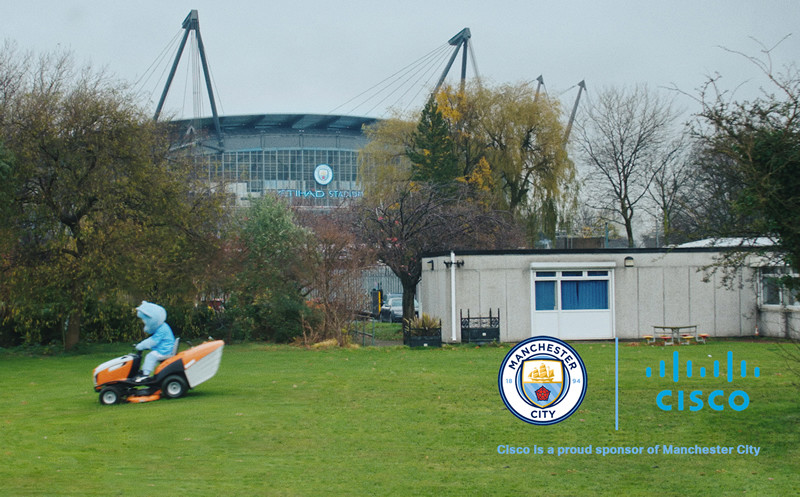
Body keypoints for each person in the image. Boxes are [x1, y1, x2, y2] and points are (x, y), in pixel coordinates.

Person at [133, 301, 175, 382]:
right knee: (151, 355)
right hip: (163, 349)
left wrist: (141, 345)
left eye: (144, 319)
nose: (143, 322)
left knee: (150, 356)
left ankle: (145, 375)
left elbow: (153, 341)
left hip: (165, 350)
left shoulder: (162, 329)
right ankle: (144, 372)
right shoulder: (162, 327)